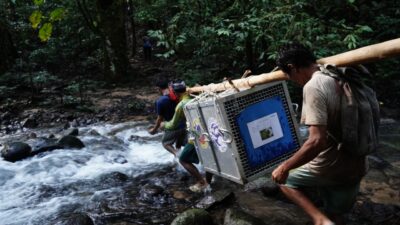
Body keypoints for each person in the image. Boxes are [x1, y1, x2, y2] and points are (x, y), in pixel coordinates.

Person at [271, 43, 368, 225]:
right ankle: (330, 217)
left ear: (292, 67)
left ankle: (319, 220)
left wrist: (284, 167)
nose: (292, 79)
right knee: (336, 214)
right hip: (358, 164)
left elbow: (317, 142)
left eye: (289, 75)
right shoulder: (341, 74)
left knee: (282, 179)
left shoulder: (314, 86)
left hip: (331, 167)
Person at [162, 81, 211, 192]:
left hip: (197, 135)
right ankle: (209, 182)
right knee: (209, 158)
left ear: (175, 93)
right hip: (210, 131)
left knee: (183, 159)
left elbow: (173, 124)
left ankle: (202, 182)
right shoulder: (198, 97)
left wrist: (163, 124)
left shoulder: (182, 104)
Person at [148, 78, 184, 156]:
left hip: (173, 126)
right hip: (184, 125)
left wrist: (154, 130)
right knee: (178, 144)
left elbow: (159, 119)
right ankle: (179, 158)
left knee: (166, 144)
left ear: (158, 88)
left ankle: (178, 156)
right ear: (168, 85)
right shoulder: (177, 95)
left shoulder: (161, 101)